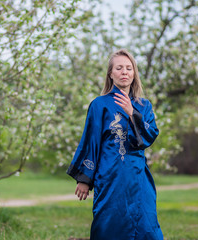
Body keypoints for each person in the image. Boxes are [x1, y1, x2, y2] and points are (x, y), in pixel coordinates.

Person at [67, 49, 163, 240]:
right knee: (108, 226)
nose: (124, 72)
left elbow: (150, 136)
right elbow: (90, 141)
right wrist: (84, 179)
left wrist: (131, 112)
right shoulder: (99, 105)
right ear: (111, 73)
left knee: (147, 226)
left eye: (129, 68)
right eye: (119, 68)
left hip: (138, 178)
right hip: (110, 177)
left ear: (134, 73)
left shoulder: (144, 106)